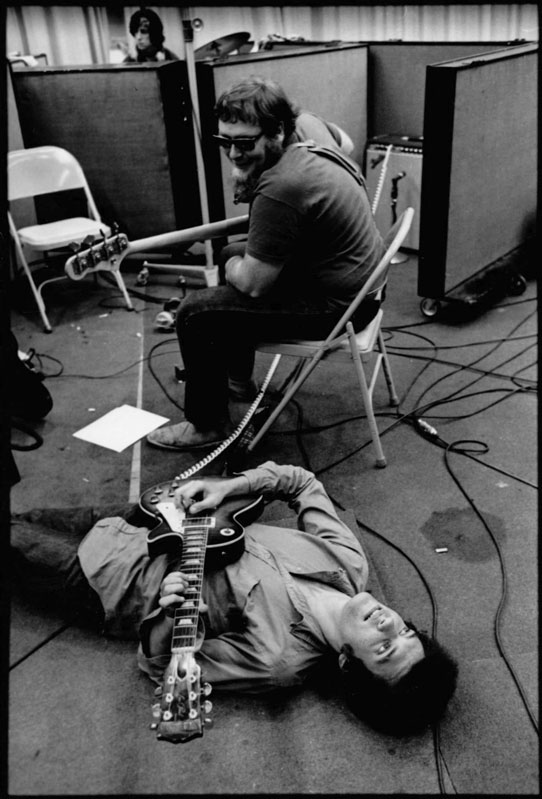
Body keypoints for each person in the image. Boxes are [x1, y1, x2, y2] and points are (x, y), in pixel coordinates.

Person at [10, 461, 458, 736]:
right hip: (147, 515)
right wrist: (232, 487)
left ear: (348, 665)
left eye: (384, 649)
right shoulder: (347, 563)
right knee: (23, 516)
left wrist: (169, 614)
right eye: (404, 631)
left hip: (106, 577)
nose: (387, 623)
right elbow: (302, 483)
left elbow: (157, 664)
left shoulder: (276, 659)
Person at [147, 77, 385, 452]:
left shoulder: (282, 187)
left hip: (340, 309)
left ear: (276, 131)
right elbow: (343, 146)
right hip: (363, 285)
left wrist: (233, 271)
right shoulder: (306, 132)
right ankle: (238, 381)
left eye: (245, 144)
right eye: (225, 142)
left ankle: (207, 425)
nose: (234, 155)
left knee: (195, 312)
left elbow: (254, 285)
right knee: (231, 253)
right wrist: (237, 260)